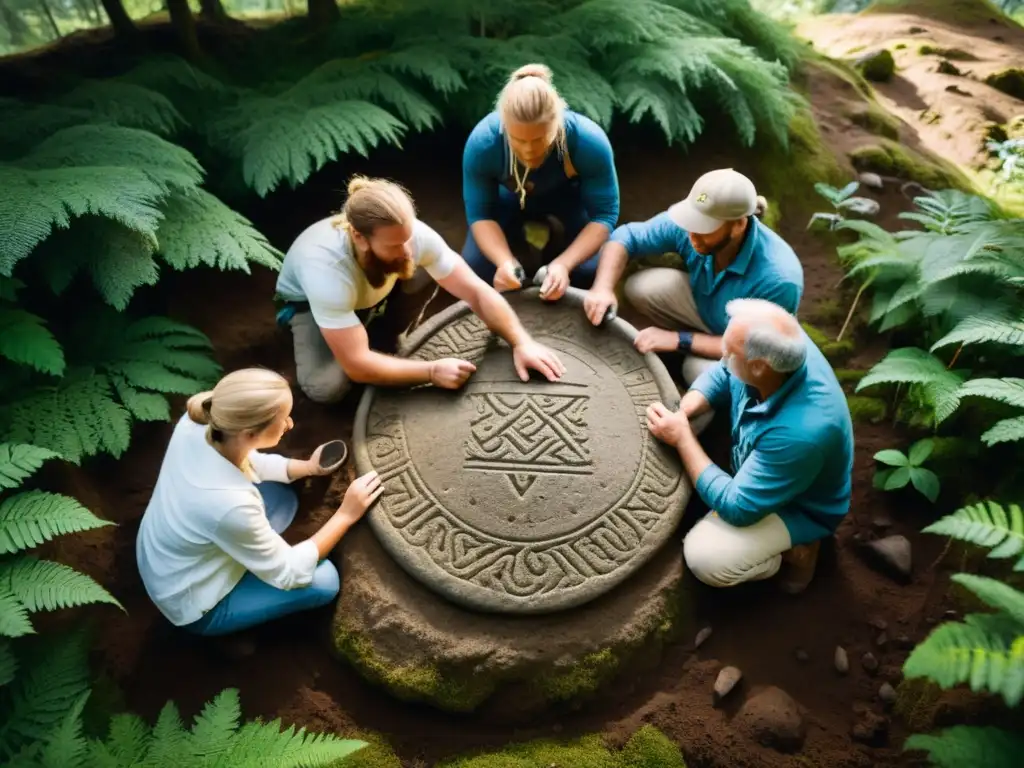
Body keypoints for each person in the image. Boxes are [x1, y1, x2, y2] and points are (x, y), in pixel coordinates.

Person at [136, 368, 382, 646]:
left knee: (281, 499)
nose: (289, 424)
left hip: (163, 552)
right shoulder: (231, 504)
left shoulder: (200, 421)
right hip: (192, 600)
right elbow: (290, 572)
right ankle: (226, 636)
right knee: (324, 581)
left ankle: (251, 557)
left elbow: (247, 460)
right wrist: (346, 514)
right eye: (282, 419)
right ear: (250, 433)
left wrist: (307, 468)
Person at [274, 175, 566, 404]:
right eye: (394, 245)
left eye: (408, 237)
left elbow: (476, 291)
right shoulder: (326, 271)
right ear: (359, 237)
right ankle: (349, 332)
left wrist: (521, 342)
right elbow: (357, 365)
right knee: (327, 388)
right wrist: (430, 371)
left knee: (422, 270)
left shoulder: (411, 238)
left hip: (372, 284)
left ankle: (387, 332)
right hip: (311, 305)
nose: (407, 251)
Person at [645, 299, 854, 594]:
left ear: (759, 368)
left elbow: (737, 507)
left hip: (797, 506)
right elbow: (722, 372)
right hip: (773, 461)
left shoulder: (803, 431)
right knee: (698, 367)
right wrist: (685, 410)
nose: (723, 355)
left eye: (730, 353)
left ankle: (797, 552)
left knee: (705, 557)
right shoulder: (780, 345)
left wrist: (682, 437)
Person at [583, 168, 803, 386]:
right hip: (708, 310)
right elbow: (627, 236)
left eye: (704, 228)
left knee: (697, 372)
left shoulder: (778, 279)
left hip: (742, 345)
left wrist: (679, 340)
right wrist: (602, 288)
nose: (692, 236)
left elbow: (753, 349)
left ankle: (706, 418)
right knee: (641, 286)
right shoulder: (692, 229)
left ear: (738, 225)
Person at [461, 63, 620, 299]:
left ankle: (555, 253)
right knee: (476, 266)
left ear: (557, 124)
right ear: (504, 125)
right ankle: (520, 249)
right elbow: (480, 215)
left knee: (588, 270)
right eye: (518, 140)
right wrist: (505, 262)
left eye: (539, 139)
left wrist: (564, 265)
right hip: (508, 199)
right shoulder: (484, 143)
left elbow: (604, 215)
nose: (528, 151)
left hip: (568, 199)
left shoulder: (588, 142)